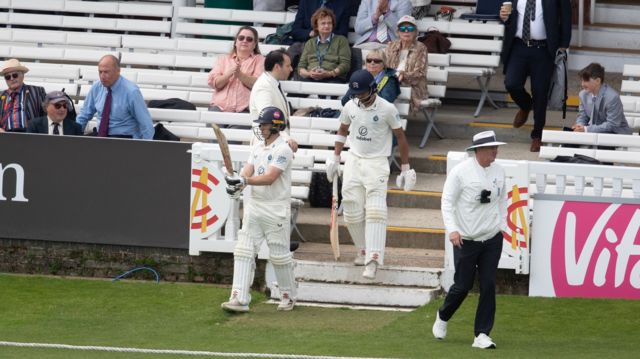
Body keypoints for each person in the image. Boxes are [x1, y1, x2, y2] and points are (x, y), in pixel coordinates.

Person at [326, 70, 416, 279]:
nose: (359, 98)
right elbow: (342, 130)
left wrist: (405, 168)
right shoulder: (350, 105)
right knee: (351, 210)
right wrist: (336, 157)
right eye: (355, 94)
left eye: (362, 94)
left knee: (375, 212)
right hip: (354, 161)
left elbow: (401, 138)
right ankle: (362, 249)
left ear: (373, 89)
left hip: (377, 163)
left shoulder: (387, 109)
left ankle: (373, 260)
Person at [432, 130, 507, 350]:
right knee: (463, 286)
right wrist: (452, 230)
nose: (496, 151)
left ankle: (482, 334)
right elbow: (447, 202)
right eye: (492, 148)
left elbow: (502, 200)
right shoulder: (460, 172)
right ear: (479, 150)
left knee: (489, 284)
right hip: (465, 239)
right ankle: (443, 315)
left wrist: (501, 226)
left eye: (496, 147)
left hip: (492, 238)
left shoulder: (499, 171)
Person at [221, 106, 297, 313]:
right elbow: (248, 170)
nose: (261, 128)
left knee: (279, 256)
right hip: (254, 207)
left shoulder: (284, 149)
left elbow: (270, 178)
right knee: (244, 251)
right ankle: (239, 298)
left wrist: (245, 180)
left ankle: (288, 295)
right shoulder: (257, 146)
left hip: (276, 208)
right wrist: (238, 181)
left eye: (264, 125)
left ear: (275, 126)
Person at [500, 0, 572, 152]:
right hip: (518, 46)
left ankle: (537, 135)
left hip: (543, 49)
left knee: (540, 92)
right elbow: (509, 16)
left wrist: (564, 43)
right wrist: (505, 18)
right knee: (511, 83)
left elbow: (566, 15)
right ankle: (526, 105)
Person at [75, 55, 154, 139]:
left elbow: (146, 124)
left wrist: (145, 149)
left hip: (124, 139)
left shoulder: (131, 92)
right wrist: (73, 136)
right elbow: (84, 114)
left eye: (106, 72)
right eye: (100, 72)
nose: (102, 76)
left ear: (118, 71)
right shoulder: (96, 87)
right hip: (100, 136)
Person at [208, 26, 265, 113]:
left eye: (249, 39)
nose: (244, 41)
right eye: (241, 38)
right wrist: (228, 75)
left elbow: (258, 84)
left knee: (239, 126)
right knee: (213, 124)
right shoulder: (223, 59)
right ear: (236, 42)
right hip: (218, 107)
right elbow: (214, 83)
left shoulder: (260, 60)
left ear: (254, 45)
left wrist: (240, 75)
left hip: (245, 109)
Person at [250, 49, 298, 151]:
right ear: (277, 67)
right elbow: (267, 118)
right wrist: (287, 139)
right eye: (288, 66)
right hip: (266, 146)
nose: (291, 69)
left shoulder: (271, 83)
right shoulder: (264, 86)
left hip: (274, 144)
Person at [385, 15, 428, 115]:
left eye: (410, 28)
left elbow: (420, 73)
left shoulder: (421, 48)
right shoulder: (391, 46)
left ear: (415, 32)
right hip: (391, 83)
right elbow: (384, 68)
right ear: (398, 32)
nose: (406, 31)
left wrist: (402, 75)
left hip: (413, 87)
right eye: (403, 29)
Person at [572, 63, 632, 135]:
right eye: (582, 80)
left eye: (586, 80)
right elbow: (582, 116)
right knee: (569, 141)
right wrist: (580, 126)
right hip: (593, 133)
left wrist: (586, 129)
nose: (582, 84)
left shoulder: (612, 97)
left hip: (616, 134)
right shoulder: (583, 94)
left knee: (603, 145)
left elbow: (612, 125)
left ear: (598, 81)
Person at [297, 7, 351, 84]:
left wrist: (329, 74)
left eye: (329, 23)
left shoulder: (341, 40)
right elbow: (301, 67)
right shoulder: (310, 43)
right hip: (311, 78)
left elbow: (345, 65)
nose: (327, 26)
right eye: (323, 23)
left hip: (333, 78)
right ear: (316, 26)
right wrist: (309, 74)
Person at [0, 59, 46, 133]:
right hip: (6, 135)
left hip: (30, 134)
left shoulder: (37, 91)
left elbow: (46, 114)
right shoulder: (1, 96)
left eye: (15, 75)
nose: (11, 79)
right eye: (7, 77)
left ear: (22, 75)